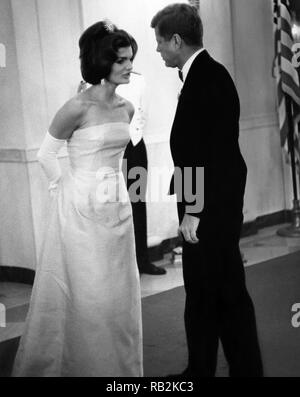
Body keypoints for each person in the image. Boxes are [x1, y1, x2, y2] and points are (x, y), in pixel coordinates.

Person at [12, 21, 143, 377]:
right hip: (79, 208)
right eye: (121, 60)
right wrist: (65, 191)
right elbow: (45, 154)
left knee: (118, 293)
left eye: (131, 58)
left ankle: (119, 369)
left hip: (117, 205)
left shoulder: (128, 108)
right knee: (88, 293)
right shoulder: (76, 107)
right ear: (103, 62)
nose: (129, 66)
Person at [151, 4, 263, 377]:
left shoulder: (207, 78)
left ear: (177, 40)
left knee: (207, 294)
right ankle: (233, 369)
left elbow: (209, 155)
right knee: (223, 294)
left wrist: (193, 210)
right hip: (214, 205)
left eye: (160, 42)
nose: (158, 50)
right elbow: (197, 151)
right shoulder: (204, 74)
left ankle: (202, 372)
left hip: (209, 210)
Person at [118, 73, 167, 275]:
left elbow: (142, 112)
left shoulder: (138, 80)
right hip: (113, 147)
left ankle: (142, 260)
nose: (127, 64)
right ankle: (120, 266)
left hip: (136, 146)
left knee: (137, 203)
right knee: (112, 204)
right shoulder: (96, 81)